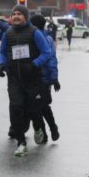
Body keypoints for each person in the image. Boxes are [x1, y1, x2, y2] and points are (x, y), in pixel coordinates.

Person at [0, 5, 53, 156]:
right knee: (16, 107)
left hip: (32, 78)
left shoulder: (34, 33)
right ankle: (21, 142)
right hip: (14, 78)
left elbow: (46, 53)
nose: (16, 16)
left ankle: (38, 128)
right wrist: (2, 64)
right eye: (14, 14)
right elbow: (2, 52)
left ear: (25, 17)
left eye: (19, 14)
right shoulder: (7, 34)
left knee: (32, 108)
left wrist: (34, 64)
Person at [29, 14, 61, 144]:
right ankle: (45, 132)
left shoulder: (46, 39)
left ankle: (52, 128)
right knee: (36, 107)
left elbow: (52, 59)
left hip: (43, 79)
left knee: (41, 106)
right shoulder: (30, 36)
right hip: (31, 79)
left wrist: (54, 79)